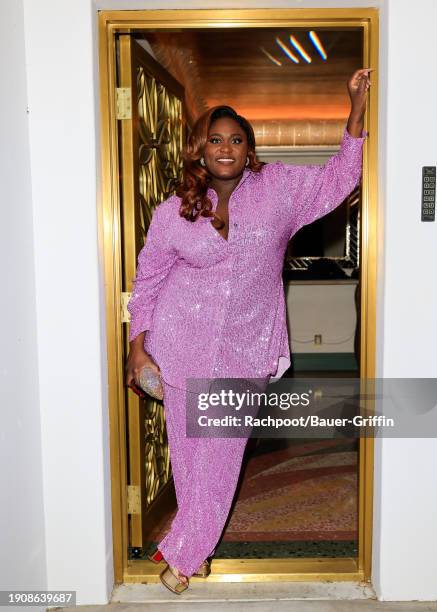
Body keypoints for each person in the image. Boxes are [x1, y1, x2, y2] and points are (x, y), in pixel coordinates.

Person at [125, 68, 372, 594]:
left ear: (249, 148)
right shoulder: (174, 211)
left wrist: (354, 112)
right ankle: (201, 550)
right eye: (215, 139)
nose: (226, 148)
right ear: (199, 149)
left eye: (237, 139)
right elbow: (146, 282)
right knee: (191, 456)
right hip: (180, 342)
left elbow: (337, 179)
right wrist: (137, 348)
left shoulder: (280, 189)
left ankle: (185, 555)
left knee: (222, 454)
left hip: (246, 346)